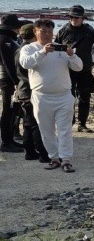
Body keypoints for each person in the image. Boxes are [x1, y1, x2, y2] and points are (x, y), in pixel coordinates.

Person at [18, 19, 83, 172]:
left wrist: (72, 55)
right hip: (41, 97)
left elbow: (78, 67)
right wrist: (43, 52)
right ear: (35, 32)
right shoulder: (29, 48)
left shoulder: (61, 49)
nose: (47, 35)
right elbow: (25, 63)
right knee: (46, 130)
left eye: (49, 32)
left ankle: (66, 159)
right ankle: (54, 158)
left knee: (64, 129)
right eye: (43, 31)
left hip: (64, 96)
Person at [55, 5, 94, 132]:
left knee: (85, 96)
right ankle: (69, 121)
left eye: (77, 17)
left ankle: (82, 123)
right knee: (68, 96)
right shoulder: (63, 31)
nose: (74, 19)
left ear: (83, 18)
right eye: (72, 17)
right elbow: (56, 49)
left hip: (85, 69)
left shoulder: (89, 31)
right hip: (67, 69)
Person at [14, 22, 50, 162]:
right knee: (36, 123)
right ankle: (43, 153)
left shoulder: (20, 49)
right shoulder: (27, 51)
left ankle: (29, 151)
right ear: (34, 34)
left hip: (22, 89)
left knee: (29, 123)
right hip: (29, 90)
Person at [0, 12, 24, 152]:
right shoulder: (5, 40)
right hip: (7, 80)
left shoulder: (9, 38)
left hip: (8, 79)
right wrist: (16, 82)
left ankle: (9, 139)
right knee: (7, 110)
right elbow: (8, 64)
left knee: (11, 110)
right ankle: (6, 142)